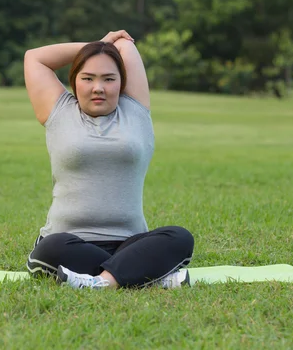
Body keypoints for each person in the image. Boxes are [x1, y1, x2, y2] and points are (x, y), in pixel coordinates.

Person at [23, 30, 194, 289]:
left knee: (179, 238)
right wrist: (99, 45)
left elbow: (125, 43)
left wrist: (112, 46)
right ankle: (141, 275)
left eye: (109, 79)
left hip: (129, 242)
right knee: (52, 248)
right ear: (75, 81)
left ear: (121, 83)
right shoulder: (58, 111)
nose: (98, 87)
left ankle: (102, 282)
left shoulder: (135, 110)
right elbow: (34, 58)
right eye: (88, 78)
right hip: (69, 243)